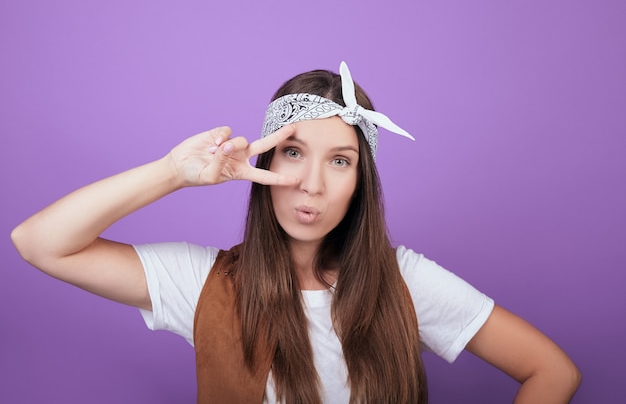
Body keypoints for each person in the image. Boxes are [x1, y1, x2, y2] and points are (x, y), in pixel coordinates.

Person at [11, 61, 581, 403]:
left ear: (361, 181)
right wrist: (172, 174)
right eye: (292, 152)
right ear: (264, 164)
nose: (310, 184)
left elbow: (552, 371)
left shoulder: (404, 281)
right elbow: (39, 242)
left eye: (340, 161)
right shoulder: (204, 283)